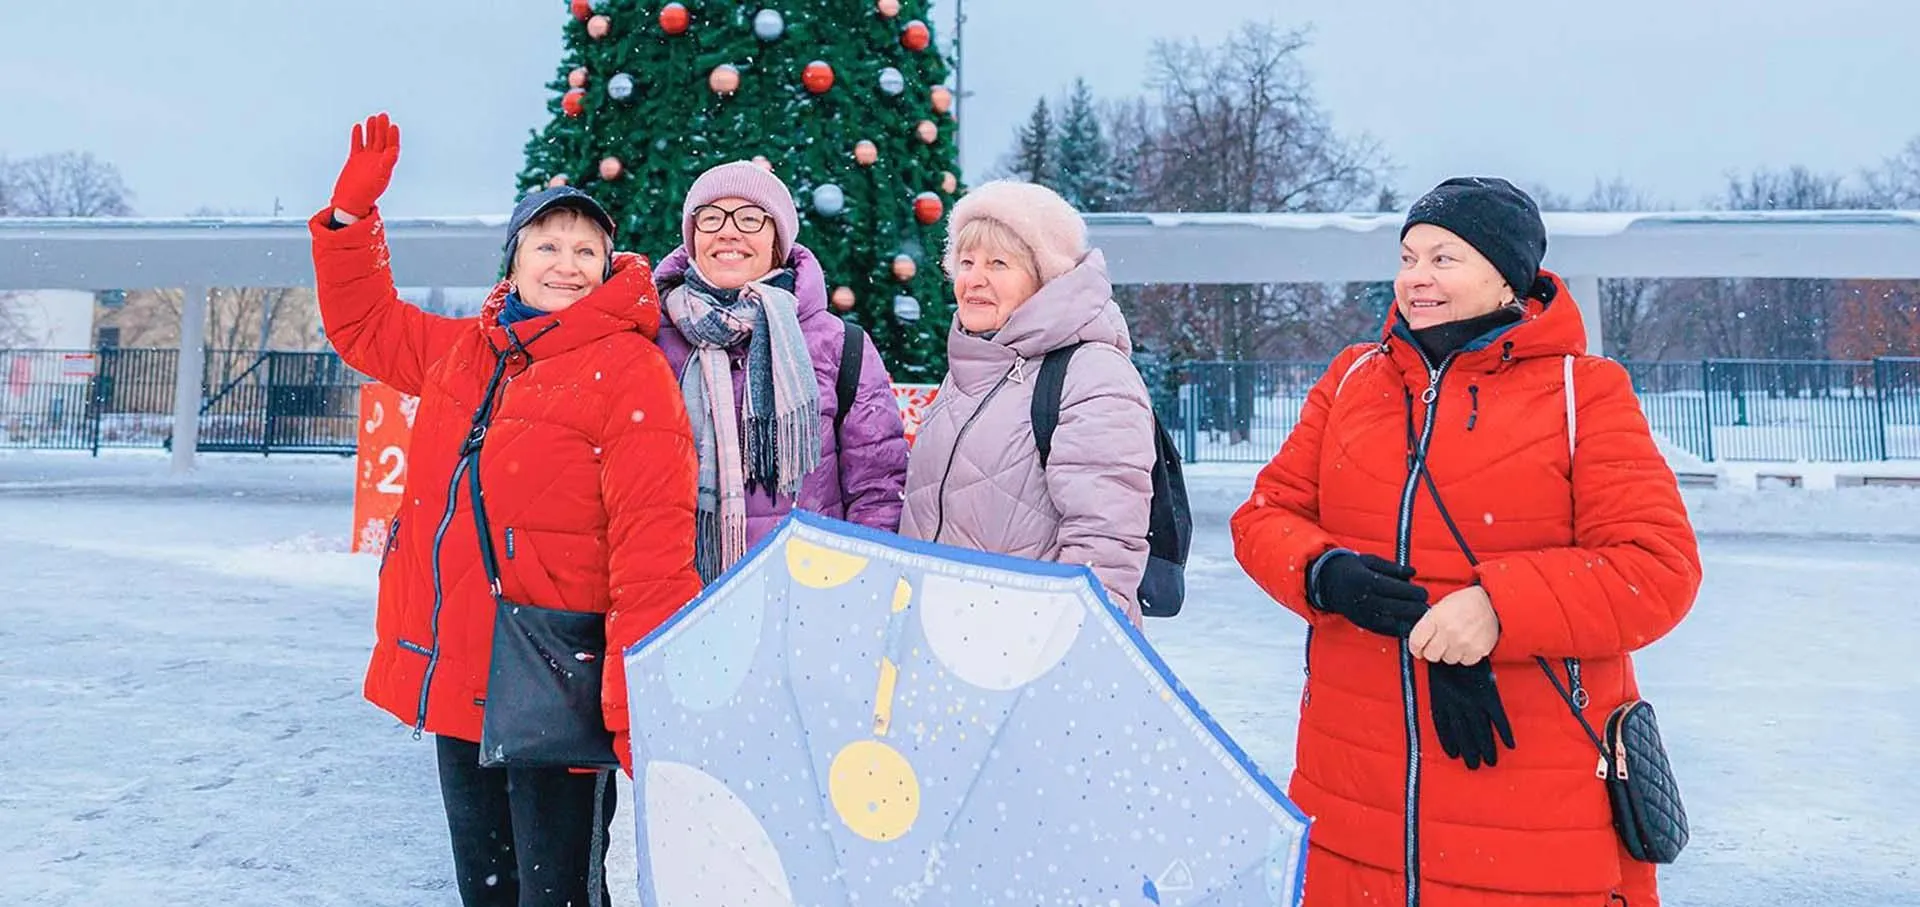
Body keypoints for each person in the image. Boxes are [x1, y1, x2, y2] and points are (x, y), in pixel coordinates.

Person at [1230, 176, 1703, 906]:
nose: (1416, 277)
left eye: (1444, 258)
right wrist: (1323, 573)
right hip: (1355, 793)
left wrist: (1499, 607)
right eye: (1409, 256)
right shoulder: (1353, 379)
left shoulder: (1586, 392)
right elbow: (1264, 514)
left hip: (1533, 807)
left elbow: (1657, 569)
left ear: (1506, 274)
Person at [310, 114, 702, 907]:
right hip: (463, 671)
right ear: (516, 259)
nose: (566, 263)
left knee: (557, 894)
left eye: (585, 249)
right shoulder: (469, 349)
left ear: (606, 264)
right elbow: (366, 327)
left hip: (563, 681)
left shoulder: (629, 369)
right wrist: (350, 222)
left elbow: (651, 546)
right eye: (547, 246)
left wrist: (638, 699)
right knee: (485, 888)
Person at [898, 180, 1157, 624]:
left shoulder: (1092, 374)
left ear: (1045, 278)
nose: (974, 279)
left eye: (998, 263)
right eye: (966, 261)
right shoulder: (970, 371)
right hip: (941, 648)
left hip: (1025, 655)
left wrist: (1063, 645)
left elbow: (1105, 543)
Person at [649, 161, 908, 581]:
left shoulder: (841, 346)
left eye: (751, 218)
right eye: (711, 218)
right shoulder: (650, 341)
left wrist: (854, 587)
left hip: (805, 602)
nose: (728, 232)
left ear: (778, 240)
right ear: (693, 238)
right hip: (679, 602)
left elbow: (878, 489)